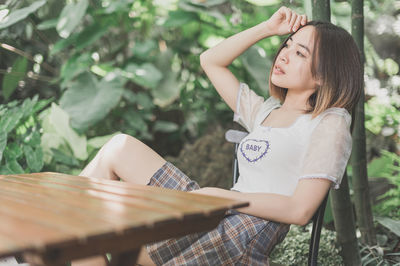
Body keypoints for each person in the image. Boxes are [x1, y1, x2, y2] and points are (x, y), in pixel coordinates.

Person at [72, 6, 362, 266]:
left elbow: (300, 210)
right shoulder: (264, 112)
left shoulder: (330, 123)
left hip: (242, 231)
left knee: (101, 246)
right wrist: (267, 28)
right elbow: (210, 60)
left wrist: (225, 198)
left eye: (300, 53)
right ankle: (51, 229)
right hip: (216, 209)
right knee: (117, 151)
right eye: (287, 45)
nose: (284, 55)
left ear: (325, 75)